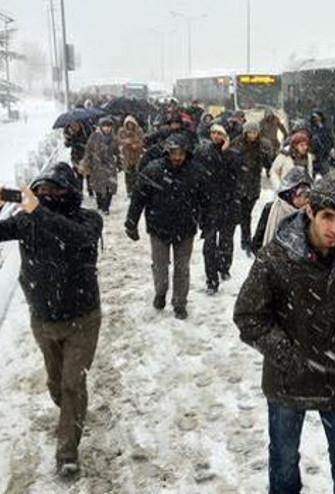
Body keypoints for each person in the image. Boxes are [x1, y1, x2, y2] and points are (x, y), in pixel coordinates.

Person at [234, 176, 335, 494]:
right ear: (310, 212)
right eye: (327, 217)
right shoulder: (276, 257)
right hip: (288, 383)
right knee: (283, 462)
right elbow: (248, 316)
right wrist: (289, 356)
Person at [0, 163, 103, 478]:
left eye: (54, 189)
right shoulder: (26, 221)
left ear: (70, 191)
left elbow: (75, 238)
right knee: (57, 386)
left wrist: (37, 210)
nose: (46, 195)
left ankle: (67, 453)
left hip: (83, 318)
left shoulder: (89, 219)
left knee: (73, 384)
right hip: (42, 318)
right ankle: (71, 416)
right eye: (40, 191)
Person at [125, 135, 208, 320]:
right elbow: (138, 198)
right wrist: (131, 222)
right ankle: (160, 292)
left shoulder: (196, 172)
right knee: (160, 266)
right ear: (167, 153)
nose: (177, 157)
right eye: (173, 153)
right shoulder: (153, 170)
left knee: (182, 268)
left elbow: (206, 200)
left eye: (181, 154)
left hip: (185, 228)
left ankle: (180, 303)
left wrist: (206, 222)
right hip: (158, 227)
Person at [195, 124, 241, 294]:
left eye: (219, 133)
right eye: (213, 133)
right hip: (209, 205)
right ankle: (211, 280)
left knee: (226, 240)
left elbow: (235, 172)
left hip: (228, 204)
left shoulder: (233, 153)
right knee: (209, 244)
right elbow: (201, 174)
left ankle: (224, 267)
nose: (215, 136)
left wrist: (226, 152)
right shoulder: (203, 152)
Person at [232, 121, 275, 256]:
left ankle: (247, 240)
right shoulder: (237, 144)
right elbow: (231, 161)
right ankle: (246, 240)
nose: (252, 135)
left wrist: (266, 156)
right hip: (239, 184)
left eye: (254, 132)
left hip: (253, 184)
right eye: (249, 132)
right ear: (245, 133)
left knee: (247, 213)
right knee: (243, 215)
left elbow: (269, 164)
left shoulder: (262, 145)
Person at [252, 167, 312, 253]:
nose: (307, 200)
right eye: (303, 194)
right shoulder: (271, 209)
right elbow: (257, 243)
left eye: (309, 195)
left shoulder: (309, 215)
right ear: (291, 194)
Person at [81, 117, 121, 214]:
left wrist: (119, 163)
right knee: (98, 186)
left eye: (109, 126)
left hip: (110, 166)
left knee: (110, 187)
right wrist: (86, 163)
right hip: (96, 166)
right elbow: (88, 151)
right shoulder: (94, 137)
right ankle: (100, 204)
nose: (107, 128)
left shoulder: (114, 138)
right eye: (105, 126)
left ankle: (106, 207)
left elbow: (118, 152)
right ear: (101, 127)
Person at [117, 115, 145, 198]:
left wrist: (137, 144)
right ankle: (129, 190)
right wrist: (126, 142)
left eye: (131, 124)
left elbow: (142, 141)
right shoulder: (122, 131)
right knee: (128, 175)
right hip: (127, 156)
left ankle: (136, 190)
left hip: (136, 156)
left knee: (136, 174)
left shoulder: (139, 131)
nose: (130, 126)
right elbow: (119, 141)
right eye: (128, 124)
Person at [63, 122, 90, 189]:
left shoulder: (85, 128)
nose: (74, 126)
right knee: (79, 175)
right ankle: (80, 191)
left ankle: (90, 190)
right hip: (76, 155)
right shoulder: (68, 130)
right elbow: (67, 144)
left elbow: (89, 140)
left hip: (86, 154)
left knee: (89, 174)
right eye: (72, 125)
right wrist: (70, 137)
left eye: (75, 124)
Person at [310, 109, 335, 175]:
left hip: (325, 153)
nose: (316, 120)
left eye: (317, 117)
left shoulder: (326, 128)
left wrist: (331, 148)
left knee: (324, 171)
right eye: (314, 118)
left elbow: (330, 139)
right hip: (316, 154)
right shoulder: (312, 128)